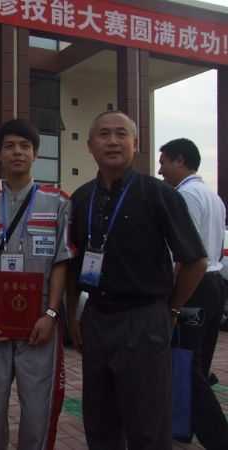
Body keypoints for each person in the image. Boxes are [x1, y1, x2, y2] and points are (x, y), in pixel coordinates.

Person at [66, 111, 208, 450]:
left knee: (147, 425)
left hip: (145, 321)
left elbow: (195, 261)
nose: (113, 141)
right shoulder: (81, 198)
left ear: (136, 143)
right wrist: (72, 316)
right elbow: (72, 264)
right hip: (97, 319)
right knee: (100, 421)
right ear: (90, 145)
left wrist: (171, 309)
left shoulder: (159, 194)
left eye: (121, 134)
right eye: (104, 134)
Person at [0, 119, 72, 450]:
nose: (18, 152)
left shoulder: (58, 202)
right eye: (10, 146)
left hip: (39, 327)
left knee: (38, 410)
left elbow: (61, 262)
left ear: (35, 154)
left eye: (25, 146)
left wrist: (51, 314)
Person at [158, 138, 228, 450]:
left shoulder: (184, 196)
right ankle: (182, 428)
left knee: (187, 366)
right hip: (214, 284)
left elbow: (185, 253)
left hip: (194, 285)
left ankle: (218, 437)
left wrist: (174, 299)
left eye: (164, 162)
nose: (160, 171)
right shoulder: (213, 197)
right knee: (198, 360)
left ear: (180, 161)